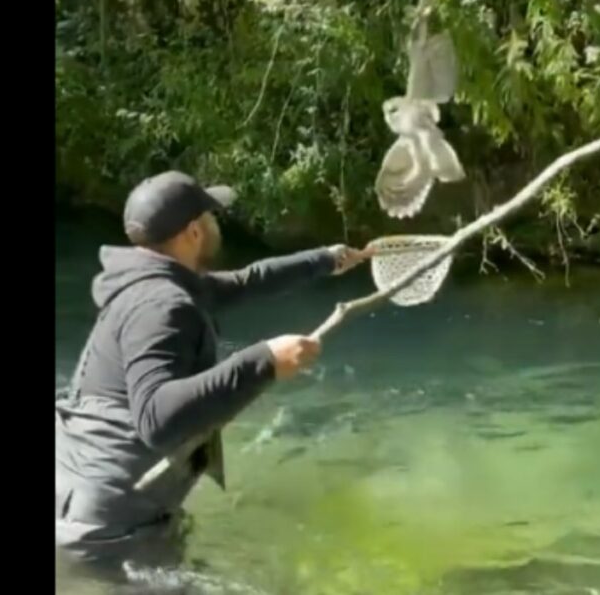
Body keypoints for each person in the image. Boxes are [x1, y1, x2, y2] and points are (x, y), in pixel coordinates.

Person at [55, 170, 371, 582]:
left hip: (79, 497)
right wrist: (263, 361)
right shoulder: (164, 307)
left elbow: (246, 281)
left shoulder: (148, 283)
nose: (216, 223)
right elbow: (157, 418)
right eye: (211, 216)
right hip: (108, 531)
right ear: (193, 232)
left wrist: (326, 259)